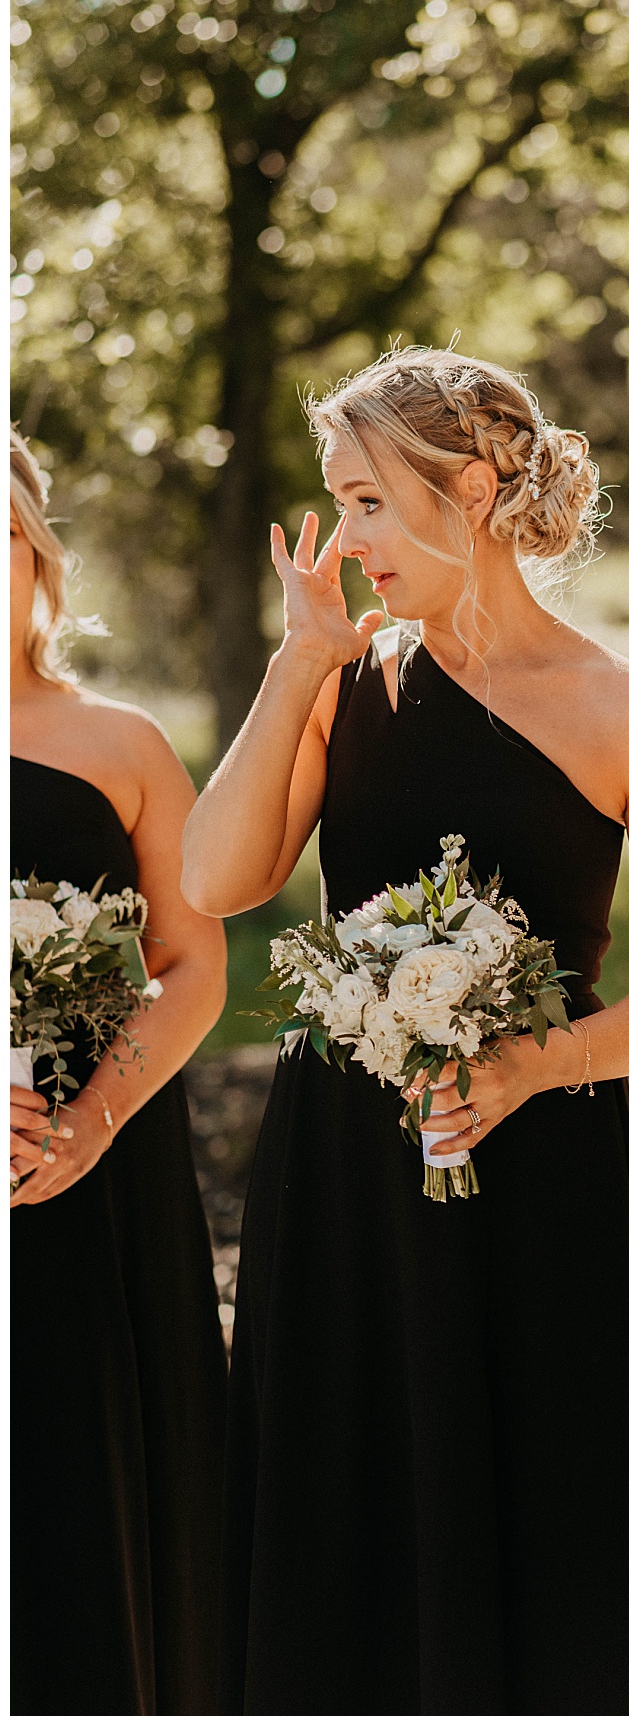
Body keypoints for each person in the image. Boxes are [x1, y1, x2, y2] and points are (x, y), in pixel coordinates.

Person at [181, 347, 629, 1714]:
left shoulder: (626, 708)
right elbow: (215, 882)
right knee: (343, 1502)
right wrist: (297, 664)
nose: (343, 540)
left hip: (539, 1170)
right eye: (336, 501)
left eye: (368, 502)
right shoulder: (348, 678)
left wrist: (536, 1064)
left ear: (475, 491)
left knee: (538, 1509)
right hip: (344, 1170)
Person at [10, 426, 229, 1714]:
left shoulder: (126, 743)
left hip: (91, 1171)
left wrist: (90, 1119)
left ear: (32, 556)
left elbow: (195, 964)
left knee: (86, 1484)